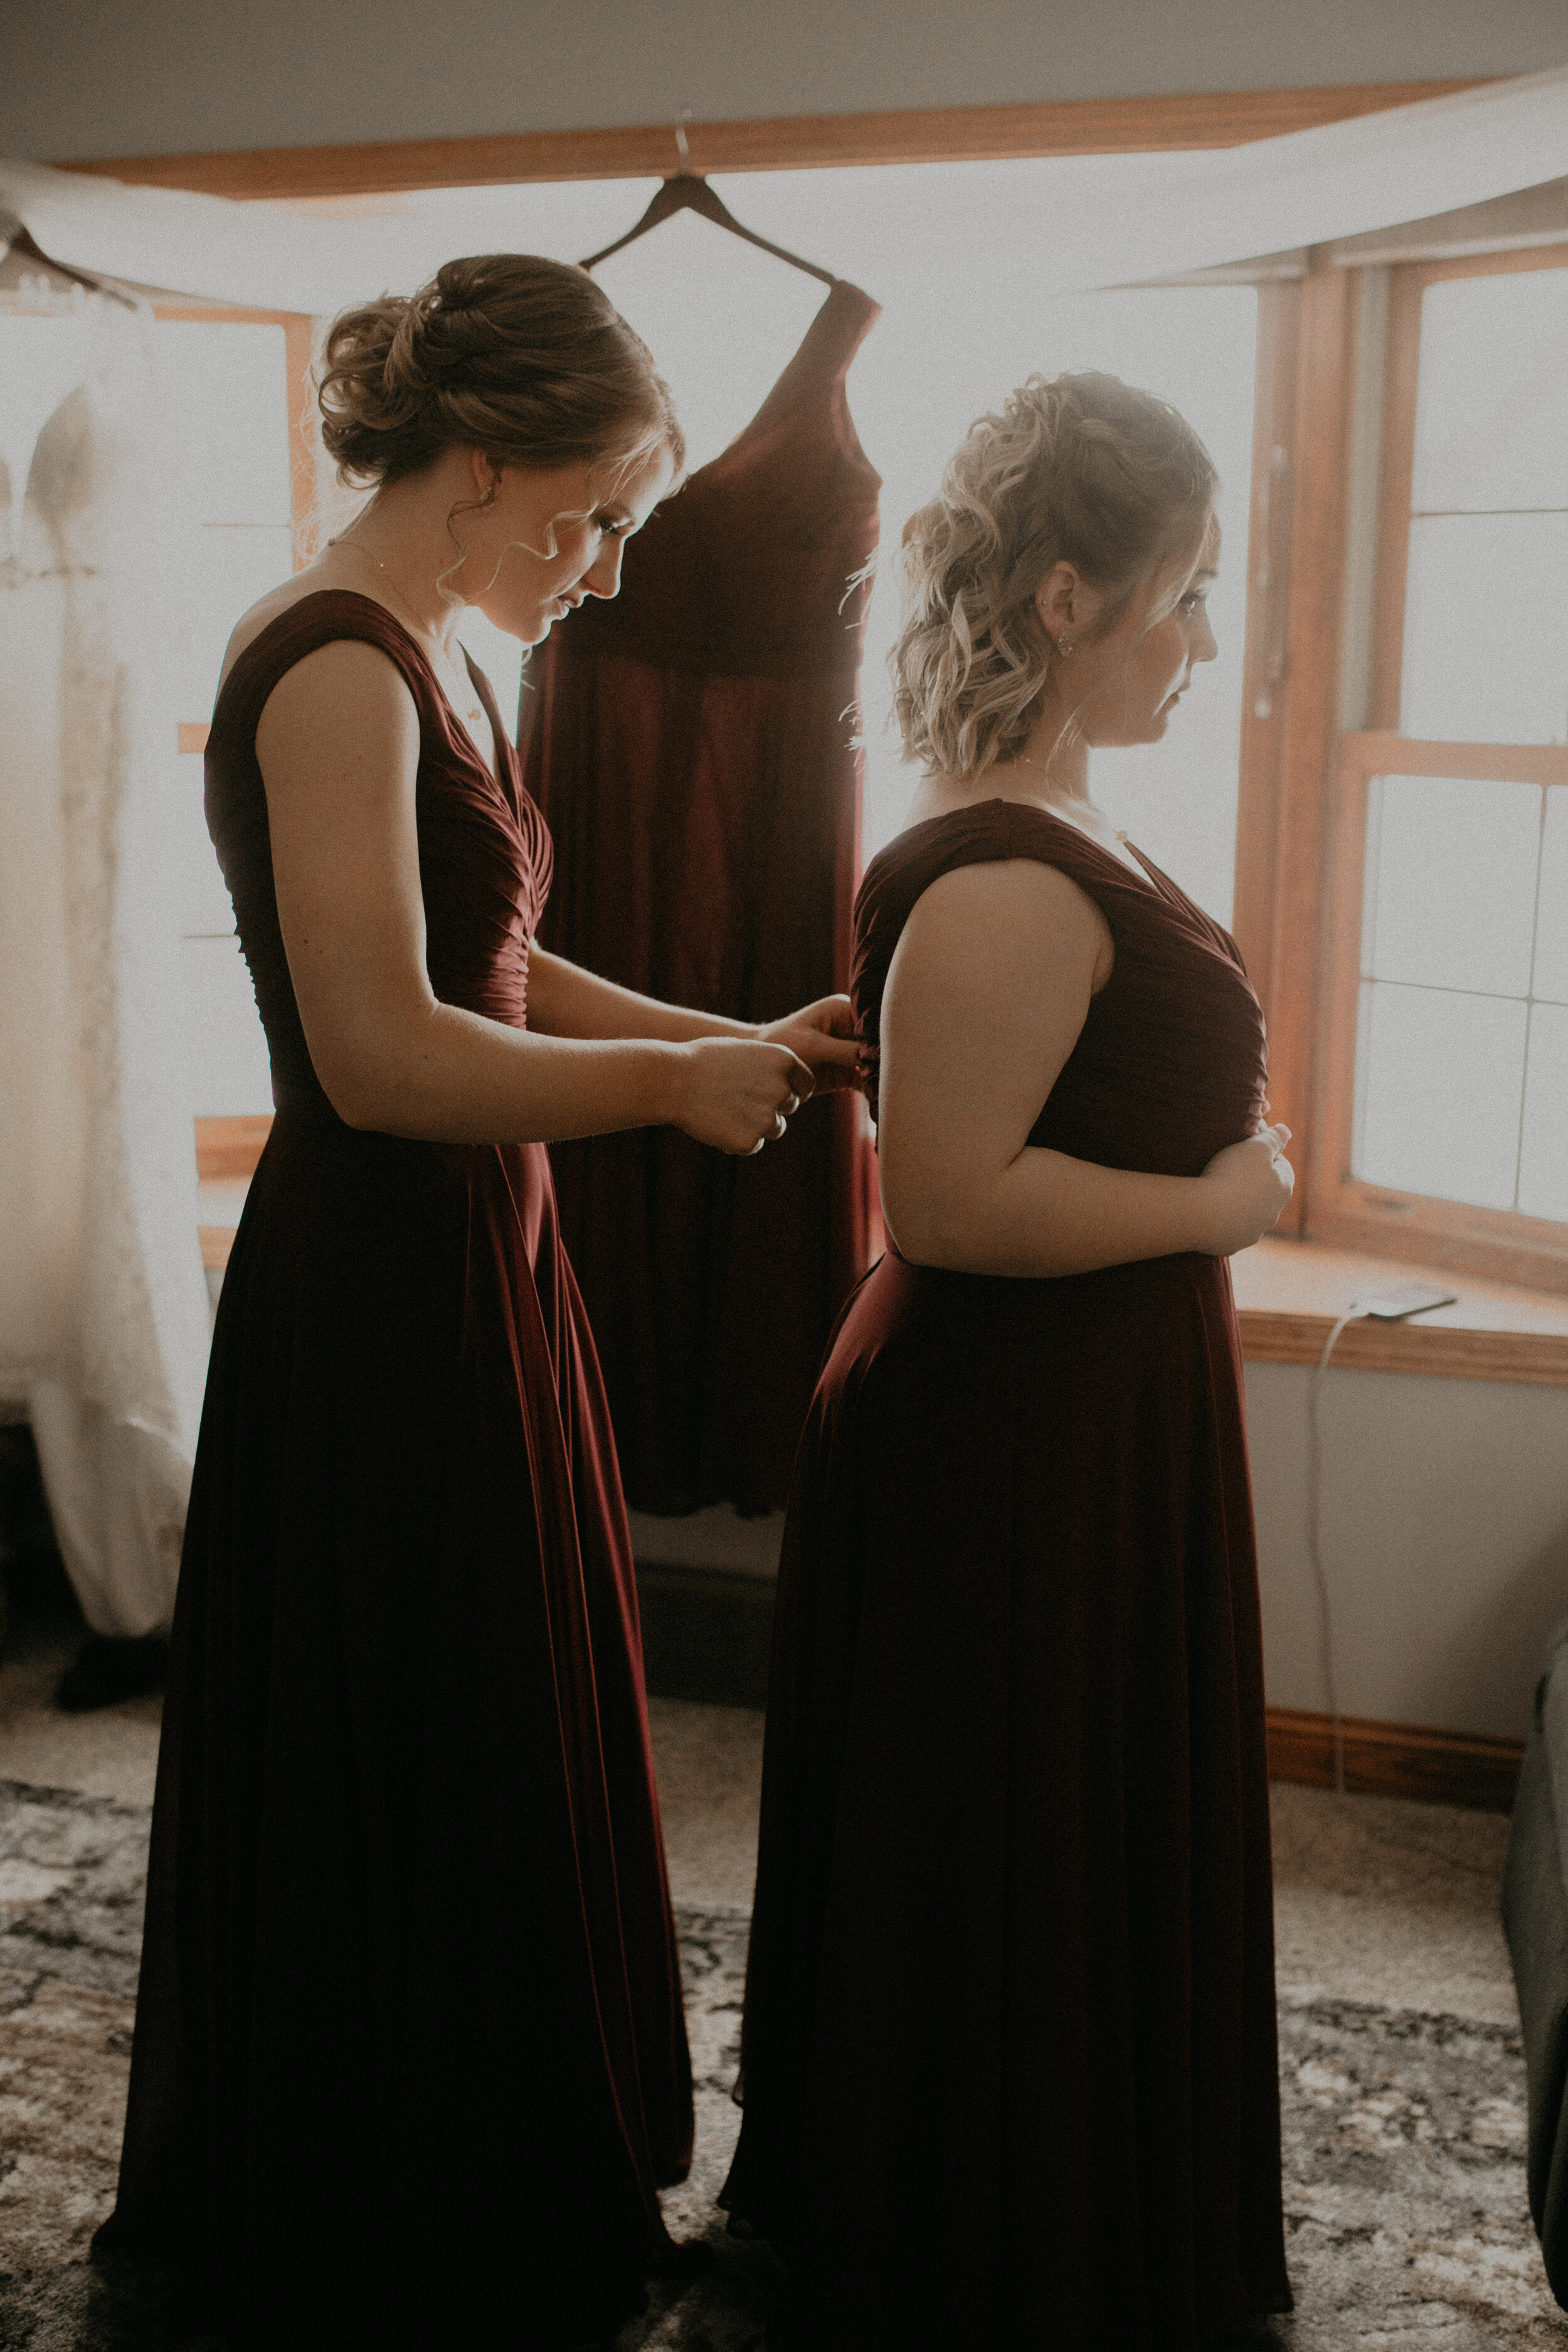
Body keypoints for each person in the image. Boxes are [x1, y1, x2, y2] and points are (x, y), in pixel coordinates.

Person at [95, 253, 861, 2351]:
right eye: (597, 512)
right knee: (414, 1727)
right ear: (486, 456)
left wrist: (739, 1033)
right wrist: (663, 1095)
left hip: (483, 1248)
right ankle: (387, 2192)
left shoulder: (447, 644)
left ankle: (505, 2137)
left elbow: (501, 968)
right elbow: (378, 1055)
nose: (607, 569)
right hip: (378, 1272)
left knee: (494, 1712)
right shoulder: (335, 661)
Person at [722, 372, 1296, 2348]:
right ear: (1061, 599)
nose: (1207, 642)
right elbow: (947, 1209)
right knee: (1003, 1857)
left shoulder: (1056, 822)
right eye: (1183, 595)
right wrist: (1219, 1212)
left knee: (1054, 1844)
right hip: (1010, 1435)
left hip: (1085, 1413)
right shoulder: (994, 871)